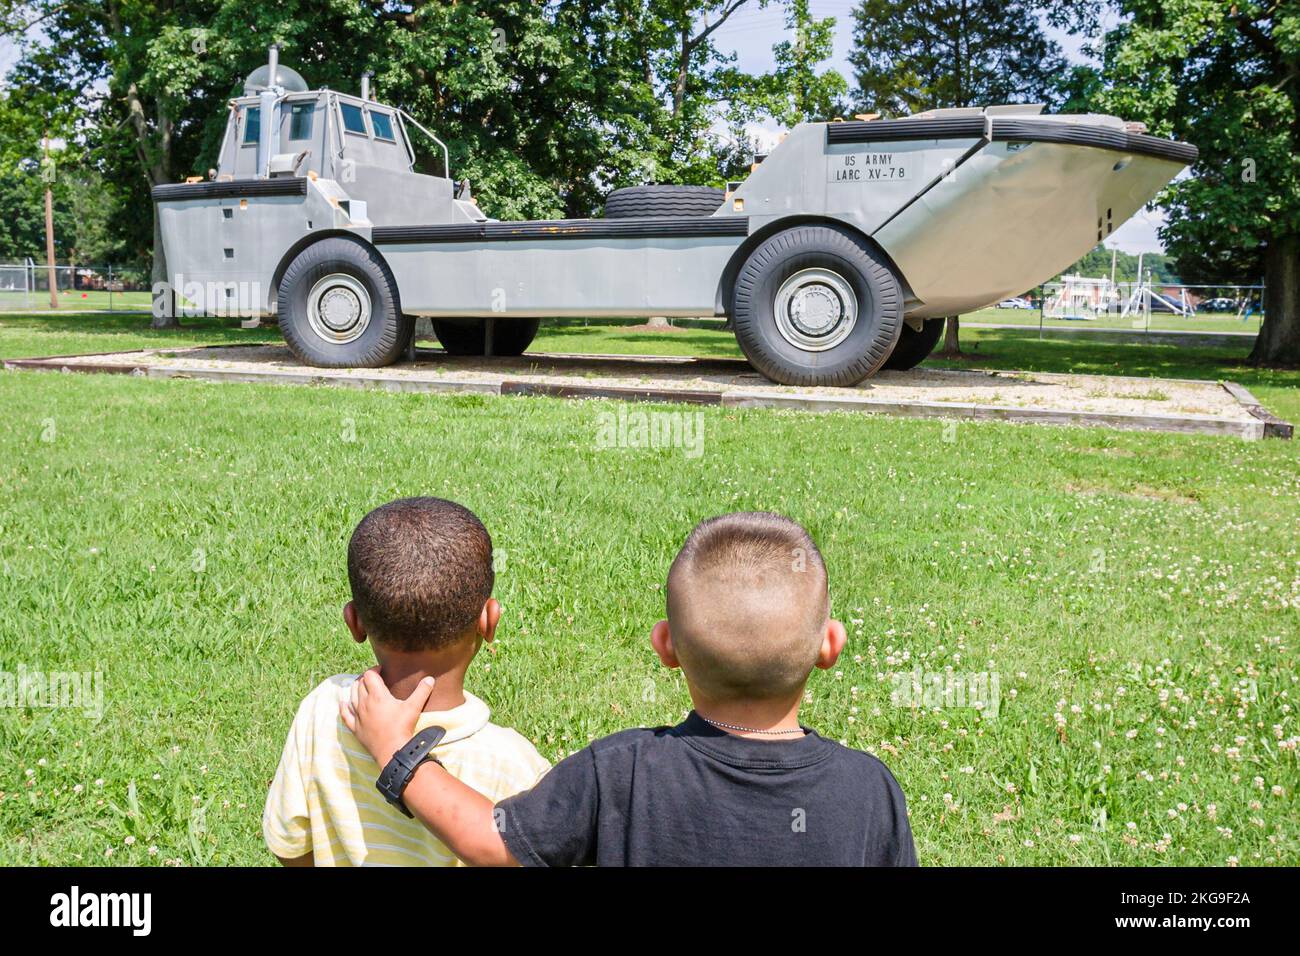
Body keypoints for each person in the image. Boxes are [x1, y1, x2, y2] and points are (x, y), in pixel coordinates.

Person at [343, 511, 916, 866]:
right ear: (830, 646)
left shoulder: (622, 771)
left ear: (665, 646)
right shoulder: (868, 789)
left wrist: (400, 756)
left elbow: (491, 843)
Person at [263, 497, 549, 866]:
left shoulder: (324, 711)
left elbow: (290, 846)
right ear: (489, 621)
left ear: (354, 622)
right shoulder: (513, 765)